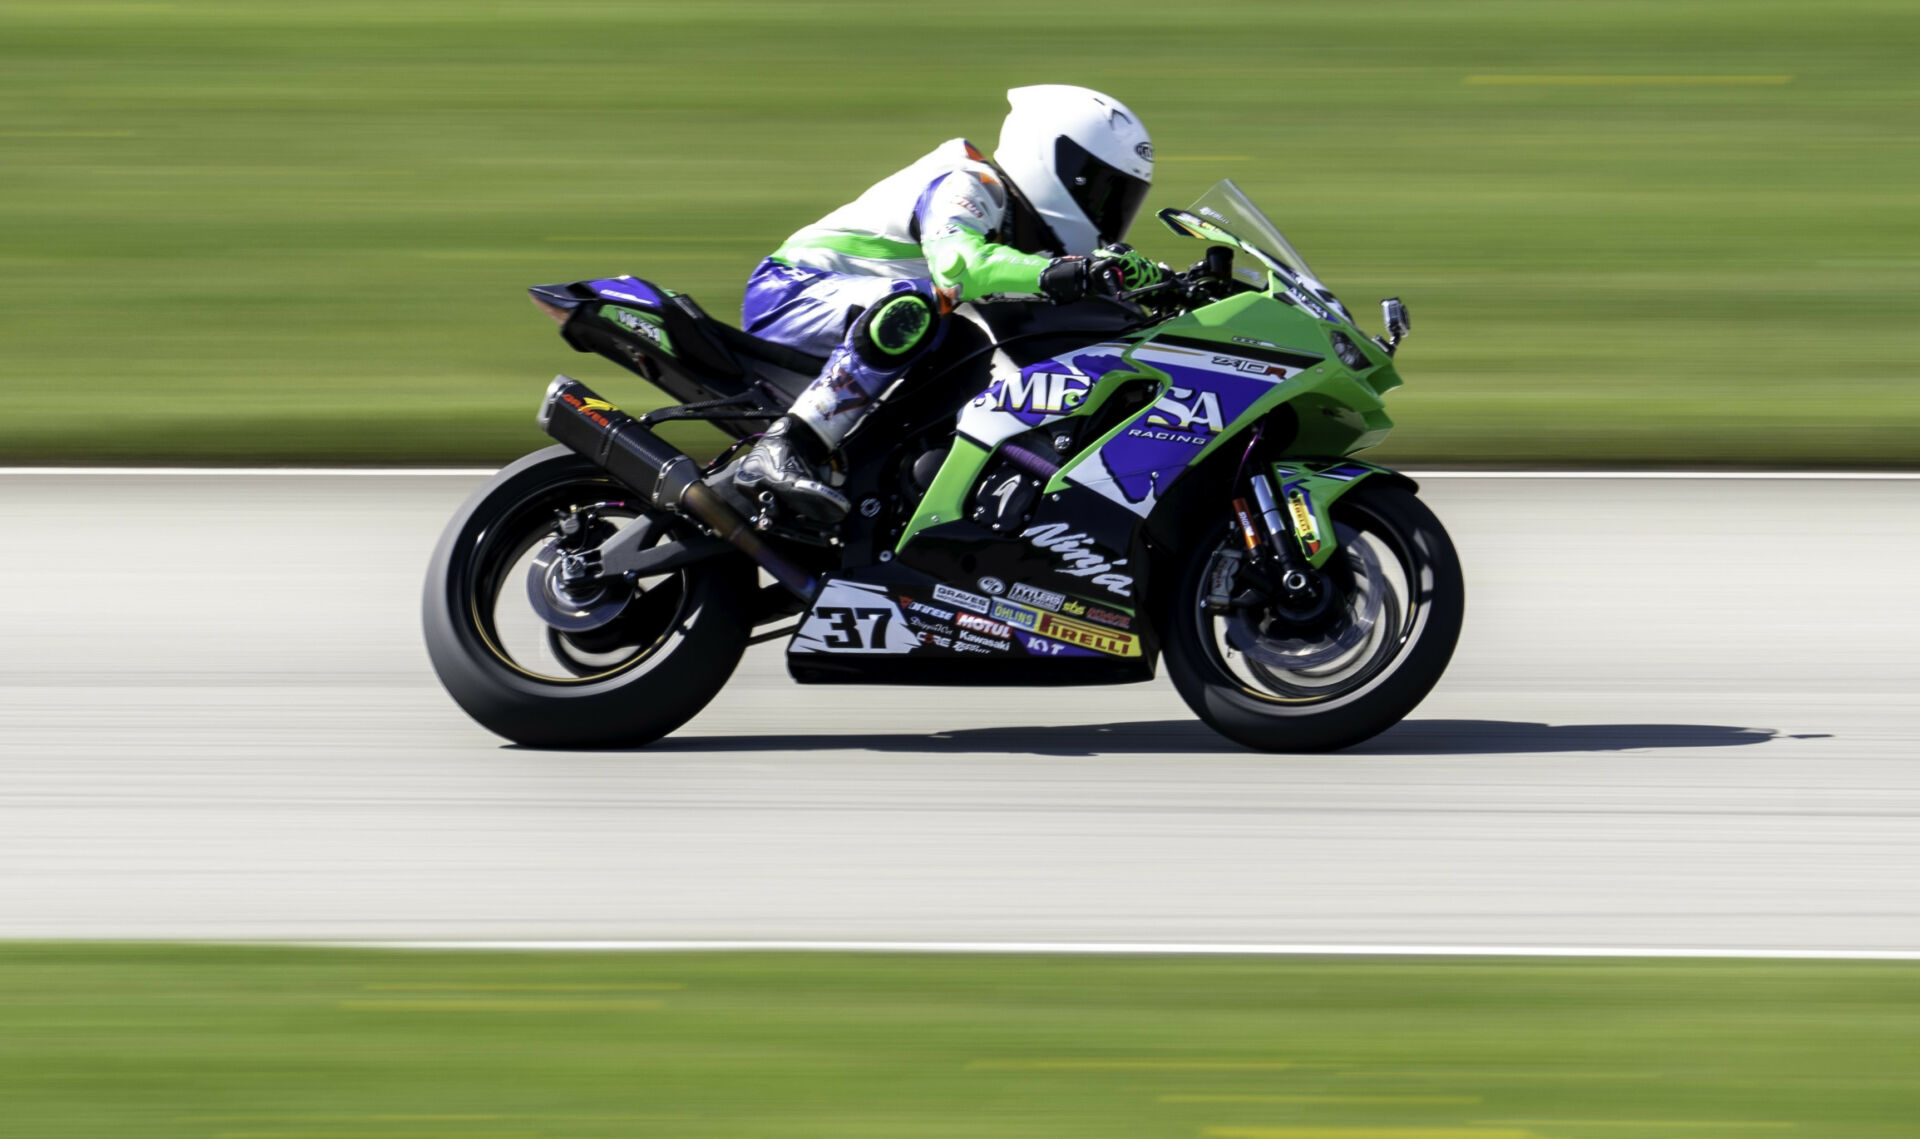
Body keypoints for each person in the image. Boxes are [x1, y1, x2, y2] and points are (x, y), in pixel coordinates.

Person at [734, 84, 1161, 521]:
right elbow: (960, 269)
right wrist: (1075, 271)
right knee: (917, 303)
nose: (1108, 212)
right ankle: (785, 445)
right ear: (1051, 162)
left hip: (857, 318)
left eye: (1121, 200)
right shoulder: (969, 182)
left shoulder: (1022, 235)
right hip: (793, 293)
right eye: (1101, 191)